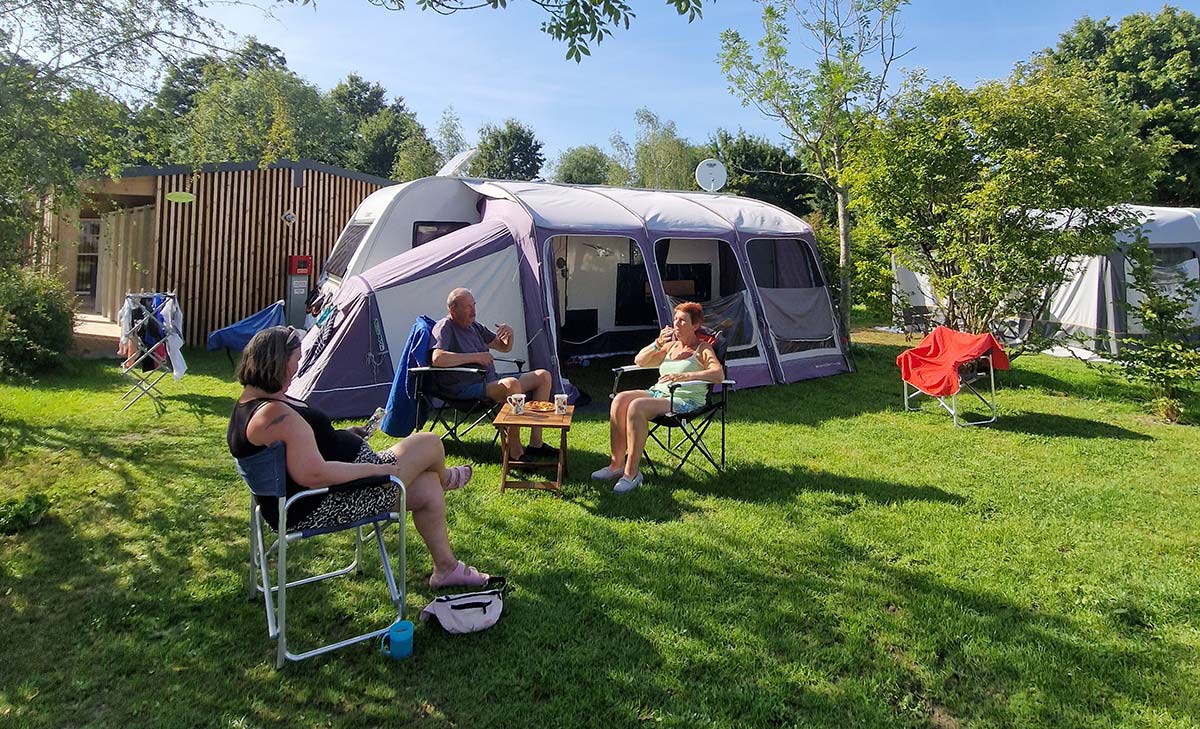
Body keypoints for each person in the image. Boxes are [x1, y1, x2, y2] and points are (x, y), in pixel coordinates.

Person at [228, 326, 488, 589]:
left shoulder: (255, 402)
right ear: (278, 363)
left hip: (337, 487)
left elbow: (302, 447)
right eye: (294, 362)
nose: (296, 369)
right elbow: (313, 474)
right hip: (329, 501)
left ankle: (446, 569)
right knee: (430, 443)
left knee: (429, 487)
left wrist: (344, 436)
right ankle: (446, 478)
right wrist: (373, 471)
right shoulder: (272, 415)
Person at [592, 302, 724, 494]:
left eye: (682, 321)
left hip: (685, 400)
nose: (676, 325)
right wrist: (658, 343)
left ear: (695, 325)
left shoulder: (702, 348)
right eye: (675, 320)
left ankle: (631, 474)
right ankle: (616, 465)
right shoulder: (671, 346)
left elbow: (718, 374)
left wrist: (684, 376)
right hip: (658, 393)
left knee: (637, 406)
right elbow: (640, 361)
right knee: (620, 400)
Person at [430, 287, 554, 461]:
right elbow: (438, 359)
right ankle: (515, 452)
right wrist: (476, 357)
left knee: (543, 376)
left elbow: (503, 347)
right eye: (467, 307)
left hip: (488, 382)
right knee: (512, 384)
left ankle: (536, 444)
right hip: (464, 389)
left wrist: (509, 335)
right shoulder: (445, 326)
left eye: (474, 305)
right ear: (453, 309)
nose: (473, 311)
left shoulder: (475, 327)